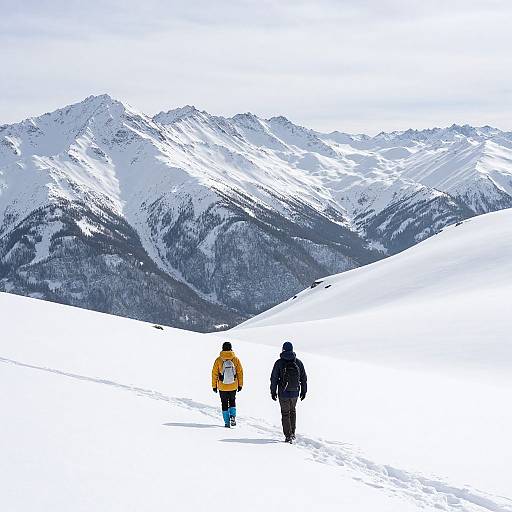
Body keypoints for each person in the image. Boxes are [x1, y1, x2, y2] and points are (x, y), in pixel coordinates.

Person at [270, 341, 307, 443]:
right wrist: (304, 391)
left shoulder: (279, 363)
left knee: (285, 413)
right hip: (295, 392)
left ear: (283, 349)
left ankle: (288, 435)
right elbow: (303, 378)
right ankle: (293, 433)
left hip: (283, 393)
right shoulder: (298, 362)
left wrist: (273, 392)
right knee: (293, 411)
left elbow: (273, 378)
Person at [212, 341, 244, 427]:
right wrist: (240, 385)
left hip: (222, 386)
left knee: (224, 403)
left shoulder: (218, 360)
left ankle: (227, 422)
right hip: (233, 385)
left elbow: (214, 373)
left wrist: (214, 386)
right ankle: (233, 416)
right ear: (231, 348)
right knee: (232, 401)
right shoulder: (236, 359)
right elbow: (240, 372)